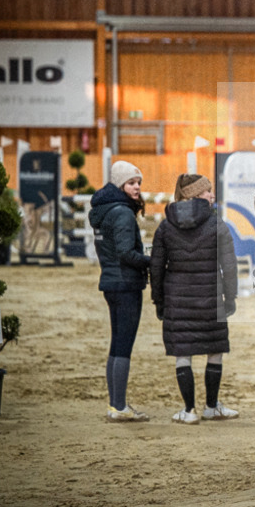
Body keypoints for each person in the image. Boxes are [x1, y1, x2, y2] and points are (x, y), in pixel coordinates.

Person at [149, 174, 239, 424]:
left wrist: (159, 302)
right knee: (215, 351)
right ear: (195, 195)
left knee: (183, 354)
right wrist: (230, 297)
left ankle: (189, 411)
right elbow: (229, 266)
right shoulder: (216, 224)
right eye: (207, 191)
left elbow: (156, 267)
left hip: (177, 300)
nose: (212, 195)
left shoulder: (165, 226)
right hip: (211, 298)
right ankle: (211, 406)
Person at [89, 160, 151, 422]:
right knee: (123, 346)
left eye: (138, 183)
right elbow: (127, 253)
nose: (136, 187)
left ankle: (115, 404)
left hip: (111, 283)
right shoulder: (123, 213)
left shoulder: (105, 211)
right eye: (131, 183)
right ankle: (119, 406)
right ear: (119, 184)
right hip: (126, 284)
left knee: (116, 346)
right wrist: (153, 260)